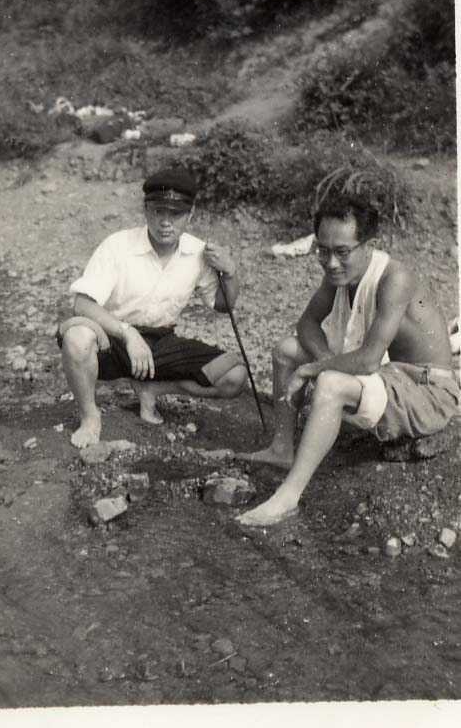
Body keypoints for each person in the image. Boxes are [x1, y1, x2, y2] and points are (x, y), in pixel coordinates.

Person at [236, 195, 460, 527]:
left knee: (330, 383)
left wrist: (314, 369)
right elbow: (306, 324)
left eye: (342, 251)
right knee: (286, 350)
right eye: (322, 250)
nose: (331, 262)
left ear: (370, 246)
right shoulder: (340, 272)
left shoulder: (394, 279)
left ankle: (287, 498)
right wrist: (327, 360)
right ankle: (281, 448)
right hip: (390, 376)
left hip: (427, 390)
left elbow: (367, 361)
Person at [57, 167, 248, 448]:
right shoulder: (117, 245)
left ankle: (151, 388)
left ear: (190, 215)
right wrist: (128, 334)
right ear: (145, 210)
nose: (165, 223)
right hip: (112, 340)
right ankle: (90, 417)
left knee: (234, 375)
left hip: (160, 342)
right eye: (158, 211)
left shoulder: (198, 252)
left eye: (176, 214)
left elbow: (223, 306)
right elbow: (82, 304)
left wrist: (230, 273)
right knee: (77, 337)